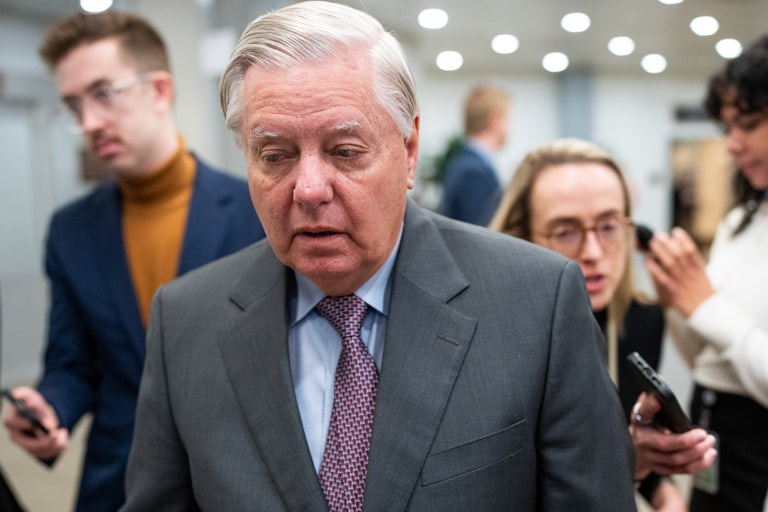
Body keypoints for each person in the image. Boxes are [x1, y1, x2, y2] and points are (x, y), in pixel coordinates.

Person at [120, 2, 637, 511]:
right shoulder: (185, 324)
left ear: (408, 152)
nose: (309, 189)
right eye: (275, 156)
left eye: (346, 151)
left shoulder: (537, 304)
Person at [1, 10, 264, 512]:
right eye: (74, 105)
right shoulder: (71, 230)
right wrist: (50, 408)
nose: (88, 122)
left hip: (235, 480)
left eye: (103, 93)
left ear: (159, 90)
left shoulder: (255, 211)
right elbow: (71, 362)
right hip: (117, 482)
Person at [489, 138, 717, 510]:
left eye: (609, 227)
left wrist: (660, 485)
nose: (593, 253)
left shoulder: (641, 320)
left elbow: (615, 451)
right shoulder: (488, 336)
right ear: (520, 235)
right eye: (565, 232)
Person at [646, 34, 768, 512]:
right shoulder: (741, 222)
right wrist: (677, 302)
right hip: (714, 425)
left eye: (749, 124)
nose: (733, 144)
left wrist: (704, 305)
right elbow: (703, 357)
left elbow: (715, 320)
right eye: (728, 127)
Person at [438, 85, 509, 225]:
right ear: (494, 121)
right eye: (507, 119)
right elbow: (480, 230)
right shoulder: (474, 172)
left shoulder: (468, 163)